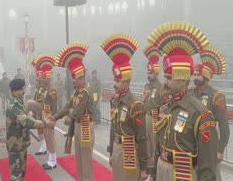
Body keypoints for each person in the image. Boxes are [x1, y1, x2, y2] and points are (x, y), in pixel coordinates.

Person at [148, 21, 218, 180]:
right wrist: (153, 170)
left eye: (169, 77)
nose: (164, 82)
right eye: (165, 77)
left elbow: (208, 166)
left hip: (183, 175)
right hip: (162, 170)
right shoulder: (165, 108)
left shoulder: (200, 113)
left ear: (184, 81)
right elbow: (159, 144)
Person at [101, 33, 148, 181]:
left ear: (127, 81)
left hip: (130, 151)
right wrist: (110, 152)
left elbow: (142, 138)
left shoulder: (135, 104)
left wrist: (144, 168)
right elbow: (113, 128)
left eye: (118, 80)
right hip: (116, 148)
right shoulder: (115, 101)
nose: (114, 84)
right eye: (114, 80)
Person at [51, 42, 95, 181]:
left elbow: (77, 113)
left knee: (86, 160)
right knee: (79, 159)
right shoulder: (77, 92)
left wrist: (69, 114)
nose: (73, 82)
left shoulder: (86, 92)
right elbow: (67, 107)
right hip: (78, 126)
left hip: (86, 128)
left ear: (81, 78)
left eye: (74, 79)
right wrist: (55, 117)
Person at [189, 45, 229, 181]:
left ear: (206, 76)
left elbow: (224, 125)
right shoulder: (190, 93)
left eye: (198, 74)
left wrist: (220, 149)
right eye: (194, 74)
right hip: (192, 144)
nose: (195, 77)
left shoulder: (216, 96)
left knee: (213, 175)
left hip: (210, 144)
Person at [6, 78, 54, 181]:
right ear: (14, 91)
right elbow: (26, 122)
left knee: (22, 172)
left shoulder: (18, 102)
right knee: (16, 175)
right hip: (16, 145)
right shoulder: (13, 105)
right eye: (21, 89)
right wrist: (44, 122)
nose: (23, 91)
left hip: (21, 143)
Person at [28, 54, 58, 170]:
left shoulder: (52, 90)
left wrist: (53, 119)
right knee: (46, 136)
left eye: (44, 78)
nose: (41, 79)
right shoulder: (44, 89)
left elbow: (54, 107)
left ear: (48, 79)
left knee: (50, 138)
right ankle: (50, 158)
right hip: (44, 115)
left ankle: (53, 160)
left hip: (49, 117)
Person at [142, 44, 165, 177]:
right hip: (146, 116)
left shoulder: (161, 87)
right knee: (146, 144)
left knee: (154, 145)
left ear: (156, 73)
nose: (148, 75)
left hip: (155, 119)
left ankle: (154, 170)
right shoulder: (147, 86)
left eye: (150, 73)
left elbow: (163, 106)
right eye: (147, 73)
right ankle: (149, 168)